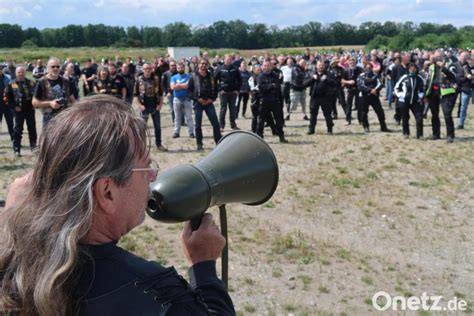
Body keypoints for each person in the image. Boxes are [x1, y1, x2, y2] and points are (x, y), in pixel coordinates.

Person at [0, 95, 235, 315]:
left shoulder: (13, 269)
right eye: (146, 167)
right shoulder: (158, 293)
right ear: (107, 193)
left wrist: (12, 221)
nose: (153, 176)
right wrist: (203, 266)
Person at [188, 59, 222, 150]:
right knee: (198, 125)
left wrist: (212, 99)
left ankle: (218, 142)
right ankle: (199, 144)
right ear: (198, 65)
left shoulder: (211, 76)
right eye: (202, 63)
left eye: (205, 64)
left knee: (215, 123)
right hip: (198, 103)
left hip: (209, 103)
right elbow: (189, 91)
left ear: (207, 65)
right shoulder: (193, 76)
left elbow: (216, 89)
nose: (203, 65)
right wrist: (197, 99)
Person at [32, 57, 75, 127]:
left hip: (65, 117)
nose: (55, 68)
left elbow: (72, 99)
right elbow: (34, 102)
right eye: (53, 67)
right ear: (48, 68)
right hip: (49, 118)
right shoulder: (42, 82)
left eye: (58, 66)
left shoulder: (66, 81)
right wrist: (50, 103)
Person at [134, 63, 167, 151]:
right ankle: (141, 146)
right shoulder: (139, 80)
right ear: (143, 70)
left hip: (155, 107)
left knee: (158, 127)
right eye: (146, 69)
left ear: (151, 69)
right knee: (142, 128)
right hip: (144, 107)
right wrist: (139, 105)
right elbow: (135, 94)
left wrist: (160, 105)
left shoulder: (156, 79)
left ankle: (159, 144)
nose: (147, 70)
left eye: (149, 68)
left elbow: (160, 93)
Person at [5, 67, 37, 156]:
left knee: (32, 129)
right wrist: (14, 106)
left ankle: (33, 147)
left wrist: (35, 104)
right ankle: (16, 149)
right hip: (18, 110)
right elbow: (6, 98)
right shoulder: (11, 84)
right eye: (19, 72)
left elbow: (36, 95)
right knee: (18, 130)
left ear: (25, 73)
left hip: (30, 109)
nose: (21, 74)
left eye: (22, 72)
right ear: (16, 73)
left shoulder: (31, 83)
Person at [256, 60, 288, 143]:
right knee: (261, 120)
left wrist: (269, 87)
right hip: (264, 100)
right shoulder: (260, 76)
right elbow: (261, 88)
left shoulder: (275, 75)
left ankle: (281, 137)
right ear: (262, 66)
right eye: (265, 65)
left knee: (278, 120)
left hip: (274, 100)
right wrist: (271, 86)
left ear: (270, 66)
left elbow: (277, 87)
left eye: (268, 65)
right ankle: (259, 137)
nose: (266, 67)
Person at [303, 61, 336, 135]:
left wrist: (327, 79)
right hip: (315, 97)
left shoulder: (328, 74)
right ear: (316, 66)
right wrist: (312, 79)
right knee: (313, 114)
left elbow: (335, 83)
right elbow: (304, 84)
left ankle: (330, 129)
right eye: (319, 65)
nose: (320, 66)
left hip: (326, 97)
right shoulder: (311, 74)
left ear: (324, 66)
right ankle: (311, 130)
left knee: (327, 114)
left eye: (322, 65)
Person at [394, 63, 425, 139]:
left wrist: (420, 96)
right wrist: (400, 95)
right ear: (408, 69)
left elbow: (423, 88)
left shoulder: (419, 78)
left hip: (415, 101)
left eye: (414, 68)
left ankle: (420, 134)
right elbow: (397, 87)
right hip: (404, 101)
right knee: (405, 118)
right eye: (411, 68)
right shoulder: (404, 77)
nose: (413, 69)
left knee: (419, 117)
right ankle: (406, 133)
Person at [357, 63, 390, 133]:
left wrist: (375, 90)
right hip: (364, 97)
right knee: (363, 113)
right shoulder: (361, 76)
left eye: (370, 68)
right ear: (364, 68)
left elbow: (380, 84)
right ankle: (366, 127)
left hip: (374, 96)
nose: (368, 69)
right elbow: (360, 85)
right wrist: (370, 90)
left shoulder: (375, 75)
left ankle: (383, 127)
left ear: (372, 68)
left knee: (380, 112)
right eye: (367, 67)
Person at [214, 54, 242, 131]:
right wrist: (219, 90)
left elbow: (240, 80)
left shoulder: (235, 69)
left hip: (233, 92)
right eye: (227, 59)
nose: (229, 60)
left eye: (230, 59)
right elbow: (214, 80)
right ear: (224, 59)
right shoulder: (220, 68)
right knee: (223, 109)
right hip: (223, 93)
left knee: (232, 109)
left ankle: (233, 125)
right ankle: (221, 126)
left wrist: (237, 90)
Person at [170, 63, 194, 139]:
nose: (180, 69)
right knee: (177, 117)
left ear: (184, 68)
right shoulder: (173, 77)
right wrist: (183, 85)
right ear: (177, 69)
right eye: (178, 68)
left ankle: (191, 132)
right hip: (177, 99)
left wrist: (179, 85)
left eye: (181, 67)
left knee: (189, 117)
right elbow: (173, 87)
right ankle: (176, 132)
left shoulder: (189, 77)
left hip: (187, 99)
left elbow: (188, 86)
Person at [457, 52, 473, 129]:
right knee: (463, 107)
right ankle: (461, 123)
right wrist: (467, 77)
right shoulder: (464, 67)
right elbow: (462, 77)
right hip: (465, 89)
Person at [0, 64, 13, 140]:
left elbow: (12, 88)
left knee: (10, 123)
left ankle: (14, 141)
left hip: (7, 104)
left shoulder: (8, 78)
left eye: (0, 69)